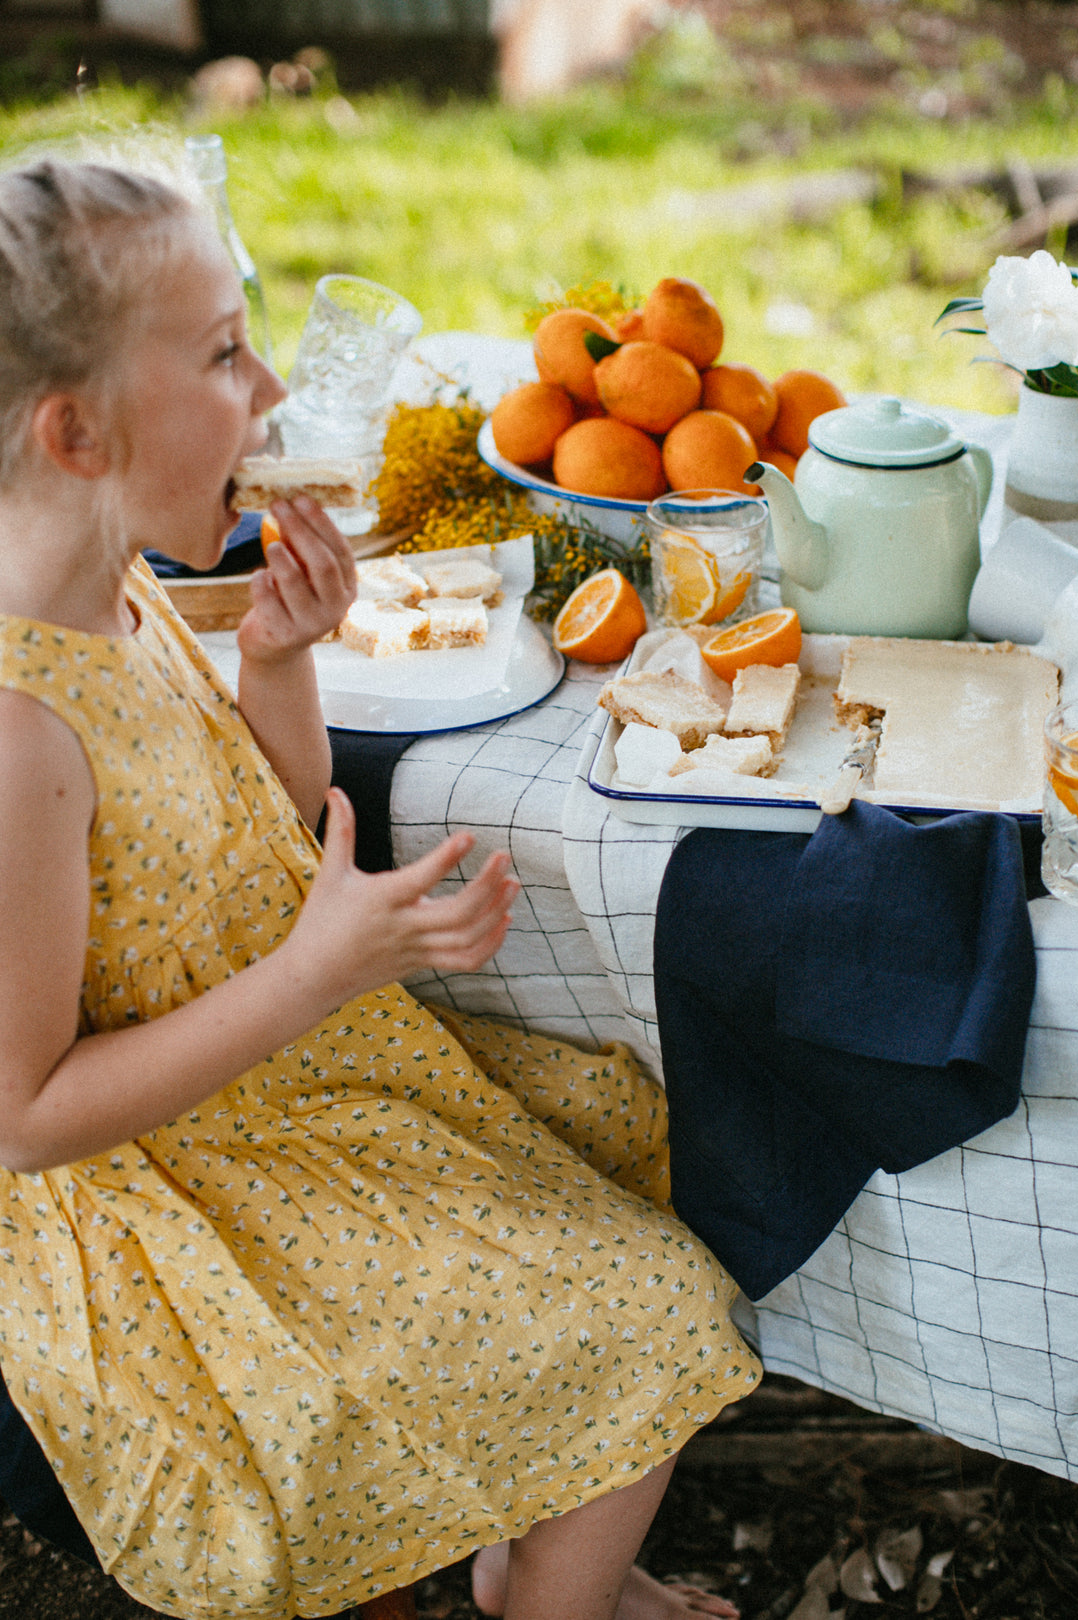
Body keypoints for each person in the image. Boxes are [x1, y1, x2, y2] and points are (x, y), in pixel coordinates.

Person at [0, 154, 761, 1620]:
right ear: (77, 432)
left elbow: (259, 820)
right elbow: (24, 1120)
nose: (274, 390)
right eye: (224, 355)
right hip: (164, 1203)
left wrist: (276, 660)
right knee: (654, 1309)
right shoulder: (18, 732)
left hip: (284, 1093)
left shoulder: (113, 583)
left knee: (629, 1168)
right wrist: (317, 971)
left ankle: (537, 1556)